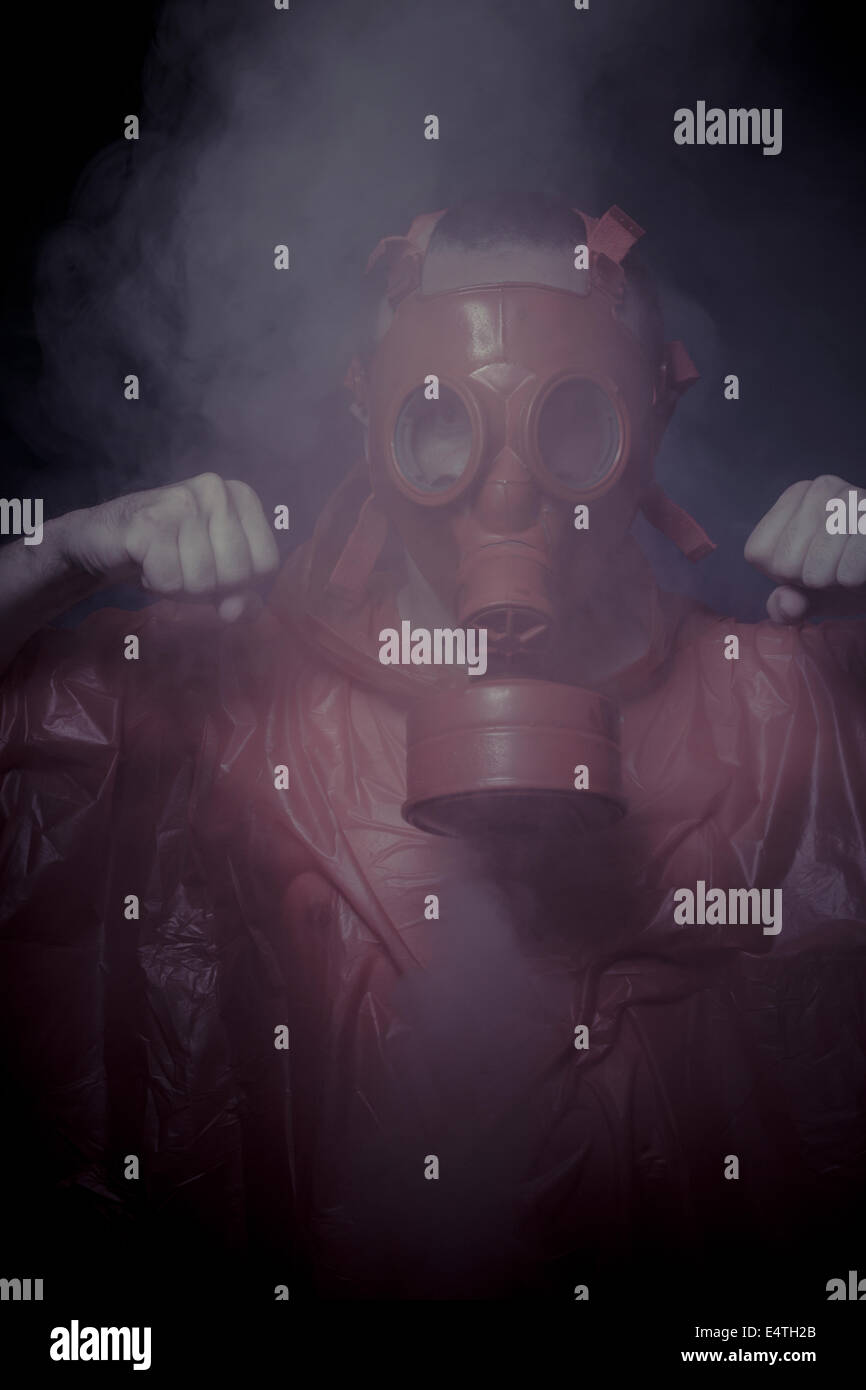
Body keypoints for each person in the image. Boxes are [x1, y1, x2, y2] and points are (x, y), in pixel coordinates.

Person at [1, 193, 864, 1303]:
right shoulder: (215, 698)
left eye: (567, 419)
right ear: (372, 422)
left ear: (647, 420)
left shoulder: (786, 700)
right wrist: (62, 552)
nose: (506, 486)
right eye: (441, 415)